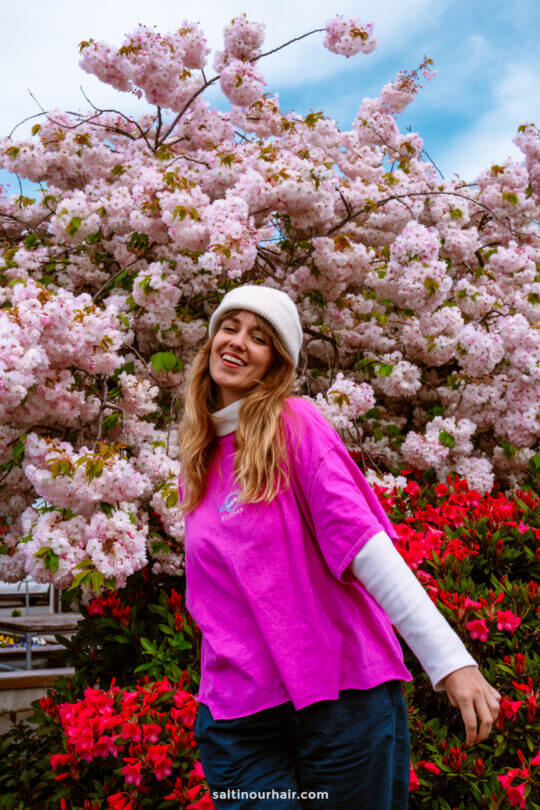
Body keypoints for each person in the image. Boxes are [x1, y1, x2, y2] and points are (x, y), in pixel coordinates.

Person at [177, 284, 501, 810]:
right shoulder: (197, 460)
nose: (236, 342)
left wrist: (449, 660)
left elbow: (363, 544)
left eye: (259, 337)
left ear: (276, 363)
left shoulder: (295, 424)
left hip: (341, 698)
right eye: (229, 328)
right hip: (238, 720)